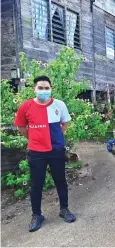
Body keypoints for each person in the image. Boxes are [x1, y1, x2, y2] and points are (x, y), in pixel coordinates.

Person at [14, 75, 76, 232]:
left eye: (46, 88)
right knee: (36, 185)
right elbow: (21, 127)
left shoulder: (59, 105)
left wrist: (54, 137)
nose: (43, 91)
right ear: (34, 89)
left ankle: (64, 209)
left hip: (56, 150)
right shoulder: (25, 106)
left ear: (51, 89)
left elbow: (65, 123)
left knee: (60, 181)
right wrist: (34, 138)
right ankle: (37, 215)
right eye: (40, 88)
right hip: (36, 153)